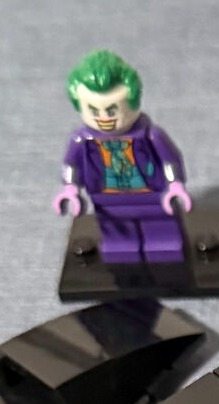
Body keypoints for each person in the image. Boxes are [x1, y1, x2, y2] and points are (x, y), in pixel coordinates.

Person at [52, 50, 192, 263]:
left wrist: (175, 184)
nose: (104, 119)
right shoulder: (82, 140)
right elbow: (71, 165)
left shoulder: (150, 136)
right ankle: (122, 254)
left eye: (112, 111)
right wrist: (70, 188)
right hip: (106, 197)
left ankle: (165, 250)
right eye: (94, 111)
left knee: (162, 235)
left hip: (150, 193)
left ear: (133, 103)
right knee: (118, 240)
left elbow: (169, 160)